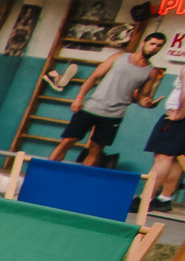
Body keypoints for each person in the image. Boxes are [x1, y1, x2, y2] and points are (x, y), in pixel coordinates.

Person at [48, 30, 167, 167]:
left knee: (96, 149)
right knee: (68, 141)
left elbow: (142, 97)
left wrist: (148, 104)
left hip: (114, 115)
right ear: (143, 43)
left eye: (159, 46)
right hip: (91, 107)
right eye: (152, 43)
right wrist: (79, 98)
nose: (154, 48)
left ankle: (82, 177)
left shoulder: (151, 72)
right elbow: (94, 76)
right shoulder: (119, 57)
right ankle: (47, 170)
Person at [144, 66, 184, 209]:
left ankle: (145, 199)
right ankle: (164, 199)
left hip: (178, 117)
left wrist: (180, 114)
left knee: (163, 157)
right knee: (176, 159)